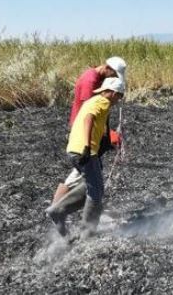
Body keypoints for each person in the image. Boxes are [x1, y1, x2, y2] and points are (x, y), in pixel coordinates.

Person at [45, 77, 125, 238]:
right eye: (119, 96)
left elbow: (90, 123)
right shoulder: (103, 102)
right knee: (96, 192)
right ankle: (85, 230)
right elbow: (89, 118)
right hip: (85, 151)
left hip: (73, 149)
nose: (119, 100)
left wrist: (105, 142)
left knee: (93, 185)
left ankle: (59, 211)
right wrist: (87, 147)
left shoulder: (93, 100)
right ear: (113, 93)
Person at [50, 56, 127, 204]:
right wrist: (105, 136)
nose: (114, 78)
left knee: (84, 172)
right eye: (114, 75)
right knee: (84, 174)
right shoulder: (90, 81)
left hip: (90, 132)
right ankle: (60, 208)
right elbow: (89, 113)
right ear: (108, 68)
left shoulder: (97, 79)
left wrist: (106, 134)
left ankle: (61, 207)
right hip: (84, 133)